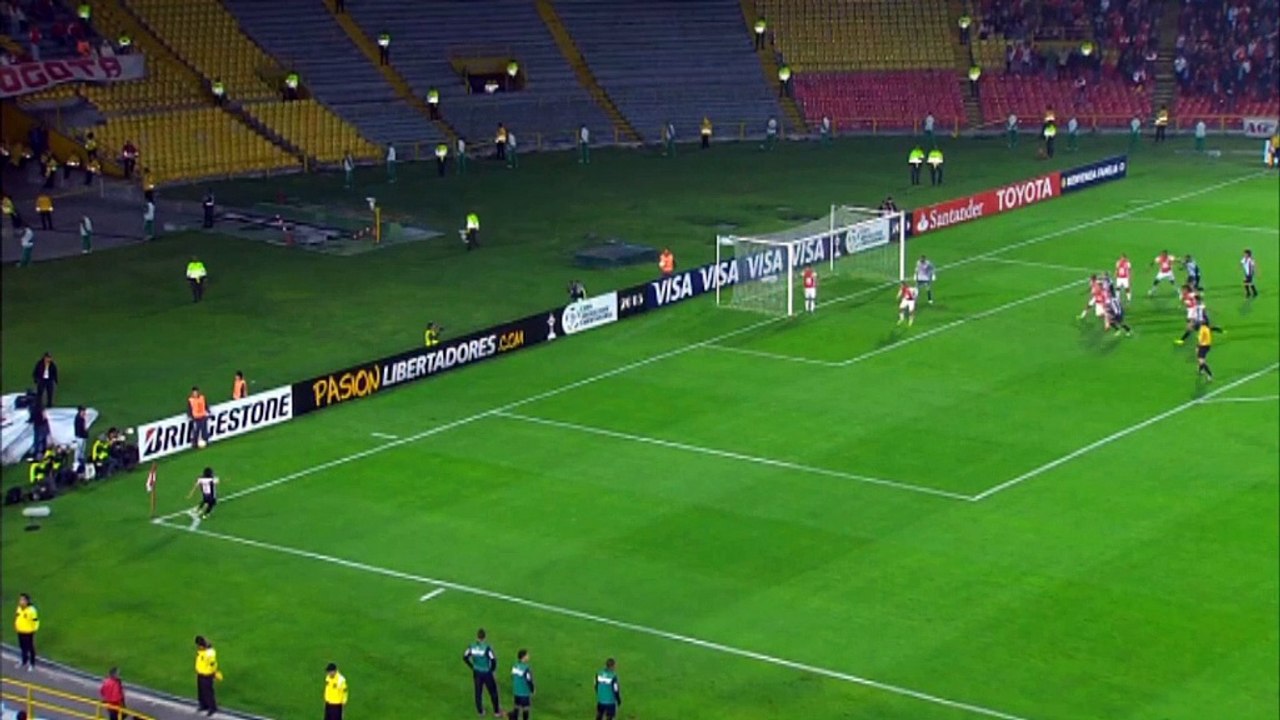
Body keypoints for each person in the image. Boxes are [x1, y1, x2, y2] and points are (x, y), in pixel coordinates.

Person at [463, 628, 501, 718]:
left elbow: (465, 657)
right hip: (486, 672)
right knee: (493, 692)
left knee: (478, 692)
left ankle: (480, 711)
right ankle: (496, 711)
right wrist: (492, 669)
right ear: (484, 637)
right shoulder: (487, 648)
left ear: (477, 637)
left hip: (477, 672)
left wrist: (472, 666)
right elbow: (493, 659)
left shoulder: (471, 647)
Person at [194, 635, 221, 716]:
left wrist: (215, 673)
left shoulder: (210, 653)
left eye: (199, 646)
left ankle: (212, 708)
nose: (198, 647)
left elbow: (213, 665)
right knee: (201, 691)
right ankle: (203, 705)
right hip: (200, 673)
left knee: (208, 692)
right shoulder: (202, 651)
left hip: (207, 675)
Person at [14, 593, 39, 670]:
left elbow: (36, 621)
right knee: (22, 647)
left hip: (28, 632)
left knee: (30, 648)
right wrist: (16, 626)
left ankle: (32, 664)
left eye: (22, 600)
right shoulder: (19, 608)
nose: (20, 601)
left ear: (26, 601)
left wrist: (34, 630)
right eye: (20, 599)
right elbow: (17, 617)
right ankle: (24, 661)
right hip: (20, 631)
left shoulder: (32, 610)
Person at [508, 649, 533, 720]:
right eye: (527, 655)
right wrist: (532, 689)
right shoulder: (526, 668)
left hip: (516, 691)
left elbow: (512, 676)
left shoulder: (515, 666)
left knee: (516, 706)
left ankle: (514, 718)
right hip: (524, 692)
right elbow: (529, 680)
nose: (528, 656)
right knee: (526, 708)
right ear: (523, 657)